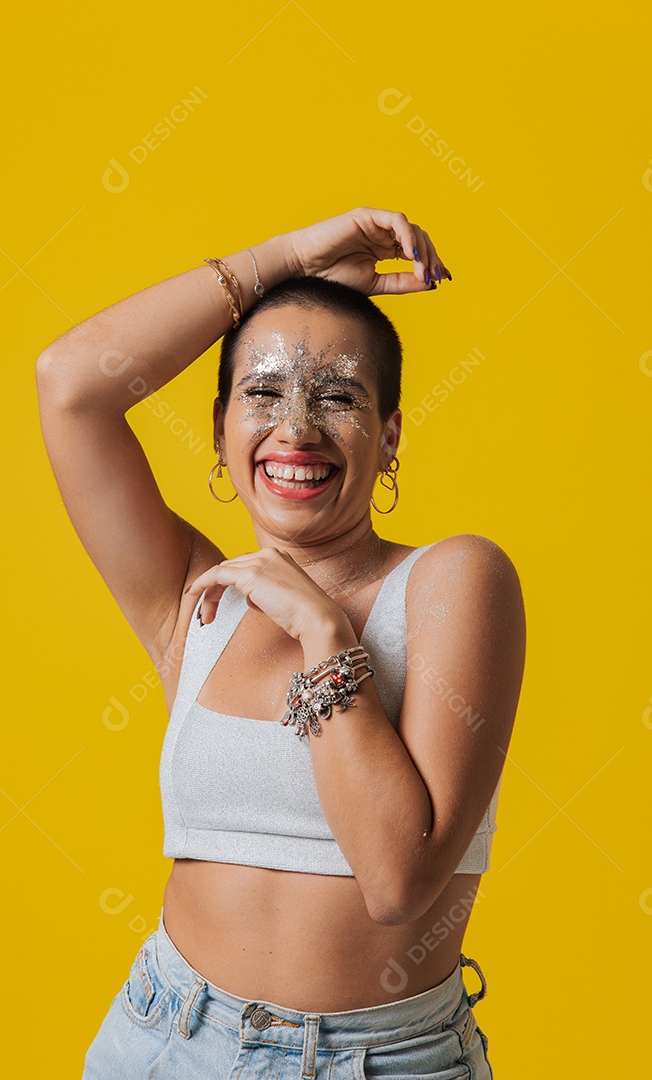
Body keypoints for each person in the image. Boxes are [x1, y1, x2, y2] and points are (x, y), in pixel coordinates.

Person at [35, 206, 526, 1079]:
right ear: (222, 427)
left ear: (391, 436)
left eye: (337, 396)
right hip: (162, 1036)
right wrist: (288, 260)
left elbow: (397, 882)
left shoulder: (455, 581)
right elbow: (71, 381)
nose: (295, 428)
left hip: (378, 1061)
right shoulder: (195, 600)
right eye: (262, 393)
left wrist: (321, 627)